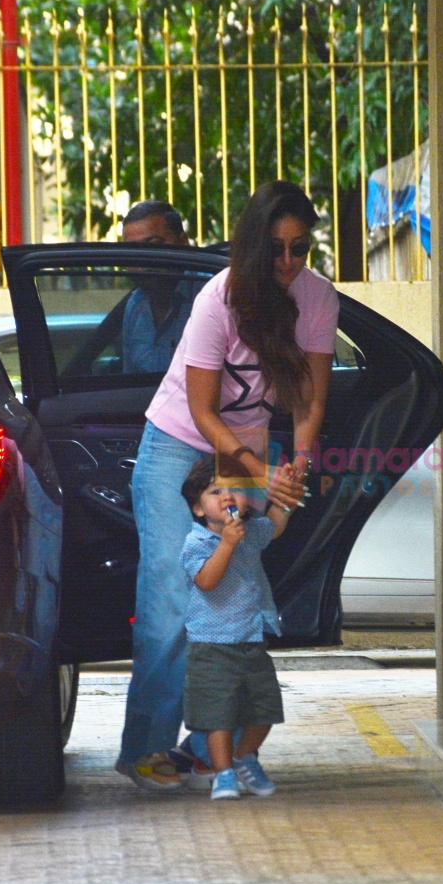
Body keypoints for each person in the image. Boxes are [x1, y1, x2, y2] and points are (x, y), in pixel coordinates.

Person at [116, 180, 335, 790]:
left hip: (248, 445)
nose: (288, 263)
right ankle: (147, 751)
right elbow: (205, 411)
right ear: (253, 247)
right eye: (276, 249)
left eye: (300, 248)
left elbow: (310, 397)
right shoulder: (220, 299)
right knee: (169, 596)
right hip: (178, 440)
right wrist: (261, 470)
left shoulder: (316, 298)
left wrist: (298, 465)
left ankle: (206, 745)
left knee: (234, 585)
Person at [177, 456, 296, 799]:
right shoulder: (196, 543)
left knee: (265, 707)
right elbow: (207, 581)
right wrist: (227, 543)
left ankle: (245, 756)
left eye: (236, 490)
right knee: (218, 715)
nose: (228, 497)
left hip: (250, 638)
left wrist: (286, 497)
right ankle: (223, 773)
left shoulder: (250, 533)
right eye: (216, 492)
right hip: (211, 644)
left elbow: (275, 523)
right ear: (199, 509)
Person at [67, 201, 196, 376]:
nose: (142, 261)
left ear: (183, 242)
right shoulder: (135, 305)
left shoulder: (208, 297)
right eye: (133, 250)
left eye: (154, 245)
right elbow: (129, 383)